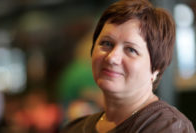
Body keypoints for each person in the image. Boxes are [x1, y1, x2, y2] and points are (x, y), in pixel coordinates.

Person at [61, 0, 196, 132]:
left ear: (155, 68)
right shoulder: (74, 128)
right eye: (106, 43)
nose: (112, 58)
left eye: (131, 50)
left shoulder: (167, 127)